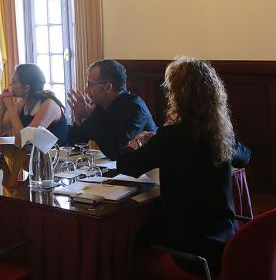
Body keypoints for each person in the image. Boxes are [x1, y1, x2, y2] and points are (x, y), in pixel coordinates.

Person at [118, 56, 251, 276]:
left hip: (190, 250)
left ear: (178, 97)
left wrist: (134, 145)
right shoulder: (219, 133)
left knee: (130, 241)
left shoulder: (171, 137)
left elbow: (127, 166)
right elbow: (245, 156)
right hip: (224, 242)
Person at [66, 59, 157, 160]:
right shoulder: (100, 106)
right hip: (120, 167)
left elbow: (117, 152)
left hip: (145, 167)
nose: (86, 90)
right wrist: (79, 119)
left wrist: (87, 117)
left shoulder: (134, 108)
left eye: (90, 84)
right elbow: (75, 146)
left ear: (108, 87)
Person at [0, 63, 68, 145]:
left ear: (26, 88)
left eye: (14, 82)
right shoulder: (23, 103)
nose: (10, 84)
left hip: (58, 153)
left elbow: (26, 140)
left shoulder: (49, 105)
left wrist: (11, 108)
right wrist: (3, 108)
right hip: (33, 153)